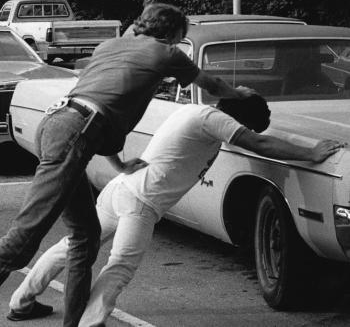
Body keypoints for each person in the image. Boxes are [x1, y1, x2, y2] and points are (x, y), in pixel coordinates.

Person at [0, 3, 257, 327]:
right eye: (180, 36)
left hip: (61, 123)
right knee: (23, 239)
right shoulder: (166, 53)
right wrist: (239, 92)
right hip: (74, 133)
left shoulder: (111, 46)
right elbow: (213, 87)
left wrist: (118, 165)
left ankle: (76, 322)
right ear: (173, 33)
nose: (178, 43)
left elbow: (96, 112)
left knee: (85, 237)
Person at [6, 95, 341, 326]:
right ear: (238, 118)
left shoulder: (195, 112)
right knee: (120, 266)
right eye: (251, 122)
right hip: (141, 202)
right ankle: (90, 322)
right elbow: (260, 144)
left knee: (72, 247)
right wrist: (311, 153)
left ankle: (21, 302)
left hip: (123, 188)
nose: (250, 131)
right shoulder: (213, 120)